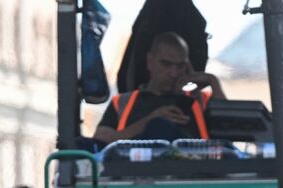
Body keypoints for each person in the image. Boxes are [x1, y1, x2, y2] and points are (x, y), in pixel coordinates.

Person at [93, 31, 225, 145]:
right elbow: (100, 141)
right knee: (159, 126)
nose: (174, 73)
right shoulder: (123, 102)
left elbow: (229, 132)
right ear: (150, 61)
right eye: (166, 64)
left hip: (193, 171)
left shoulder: (200, 100)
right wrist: (149, 121)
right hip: (138, 172)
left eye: (180, 66)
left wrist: (213, 81)